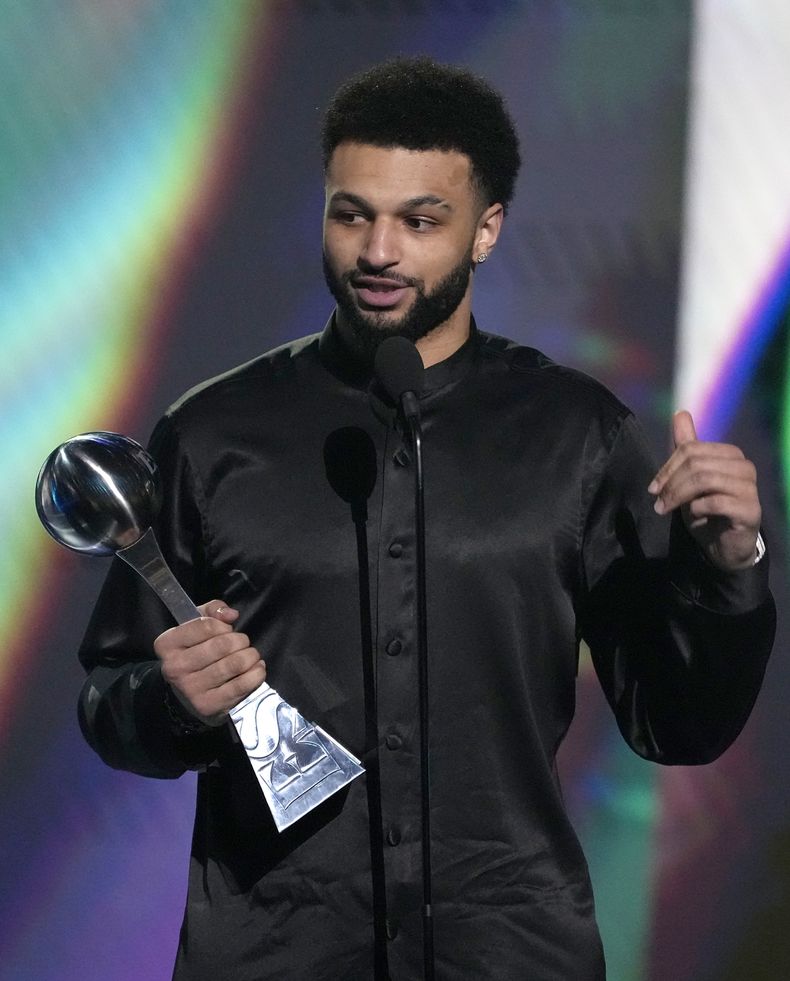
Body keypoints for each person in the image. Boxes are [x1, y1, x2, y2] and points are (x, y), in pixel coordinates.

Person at [77, 57, 775, 980]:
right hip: (278, 951)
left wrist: (731, 564)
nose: (378, 252)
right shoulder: (214, 435)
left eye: (420, 220)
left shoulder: (575, 435)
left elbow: (675, 724)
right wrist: (169, 701)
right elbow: (108, 697)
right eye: (352, 212)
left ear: (487, 230)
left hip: (509, 953)